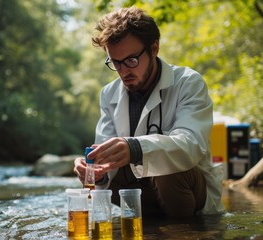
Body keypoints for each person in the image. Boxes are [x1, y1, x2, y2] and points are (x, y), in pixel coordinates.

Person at [74, 6, 224, 218]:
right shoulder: (109, 94)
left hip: (187, 194)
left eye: (131, 60)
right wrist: (95, 173)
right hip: (139, 198)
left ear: (154, 49)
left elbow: (192, 144)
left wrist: (136, 148)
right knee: (113, 165)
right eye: (115, 63)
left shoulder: (188, 83)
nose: (124, 71)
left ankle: (183, 231)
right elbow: (106, 167)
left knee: (168, 170)